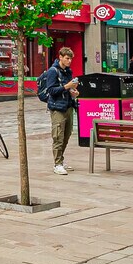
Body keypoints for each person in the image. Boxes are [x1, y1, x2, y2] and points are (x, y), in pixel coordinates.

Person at [36, 49, 78, 177]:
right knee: (58, 136)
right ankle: (57, 163)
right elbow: (52, 90)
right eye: (67, 58)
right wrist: (67, 86)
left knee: (67, 134)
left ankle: (61, 159)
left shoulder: (67, 72)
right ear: (60, 57)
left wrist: (73, 92)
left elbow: (67, 88)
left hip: (68, 106)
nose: (69, 61)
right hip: (57, 107)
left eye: (70, 59)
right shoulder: (52, 71)